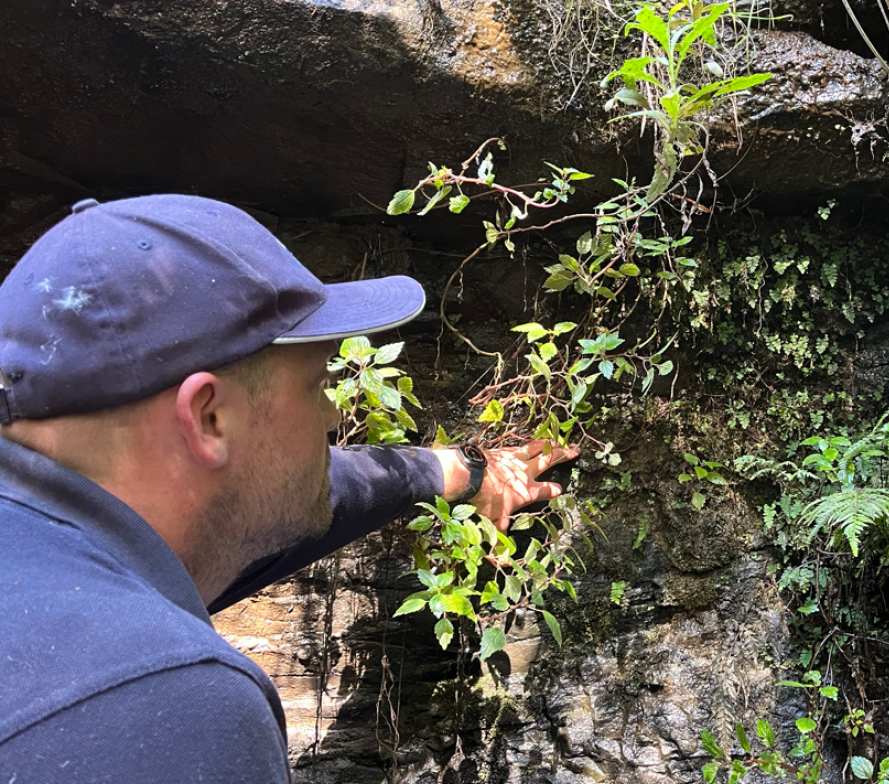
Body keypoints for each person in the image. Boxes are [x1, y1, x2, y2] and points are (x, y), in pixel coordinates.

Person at [0, 194, 576, 782]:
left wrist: (459, 472)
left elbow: (293, 493)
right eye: (316, 383)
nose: (331, 416)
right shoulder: (158, 704)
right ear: (209, 417)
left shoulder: (43, 543)